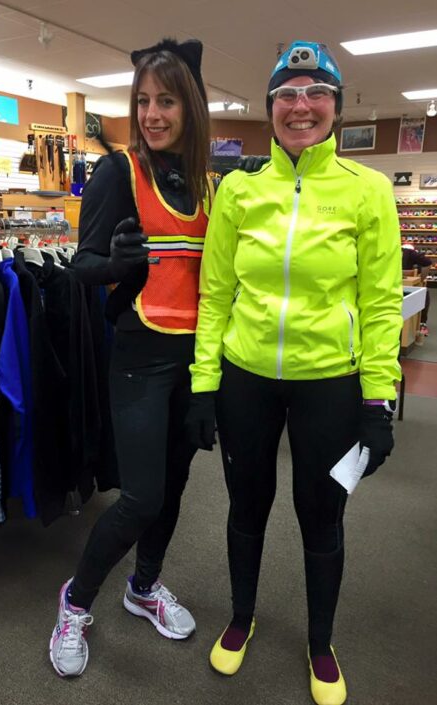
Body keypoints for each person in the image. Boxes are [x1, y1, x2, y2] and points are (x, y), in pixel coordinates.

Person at [186, 41, 403, 705]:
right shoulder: (238, 190)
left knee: (321, 513)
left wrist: (378, 399)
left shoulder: (367, 191)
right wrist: (203, 385)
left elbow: (381, 303)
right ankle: (240, 617)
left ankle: (320, 643)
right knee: (246, 504)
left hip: (329, 383)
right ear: (270, 106)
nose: (300, 105)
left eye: (315, 93)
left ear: (336, 107)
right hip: (245, 379)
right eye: (287, 93)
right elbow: (215, 294)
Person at [49, 37, 213, 678]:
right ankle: (75, 602)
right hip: (140, 360)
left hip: (195, 364)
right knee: (141, 498)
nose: (152, 114)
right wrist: (113, 264)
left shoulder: (209, 184)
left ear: (190, 106)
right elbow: (81, 268)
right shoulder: (119, 172)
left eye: (166, 100)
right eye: (143, 100)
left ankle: (144, 587)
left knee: (172, 489)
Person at [402, 243, 431, 336]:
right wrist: (421, 280)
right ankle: (422, 323)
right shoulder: (410, 253)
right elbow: (427, 262)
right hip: (406, 286)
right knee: (424, 292)